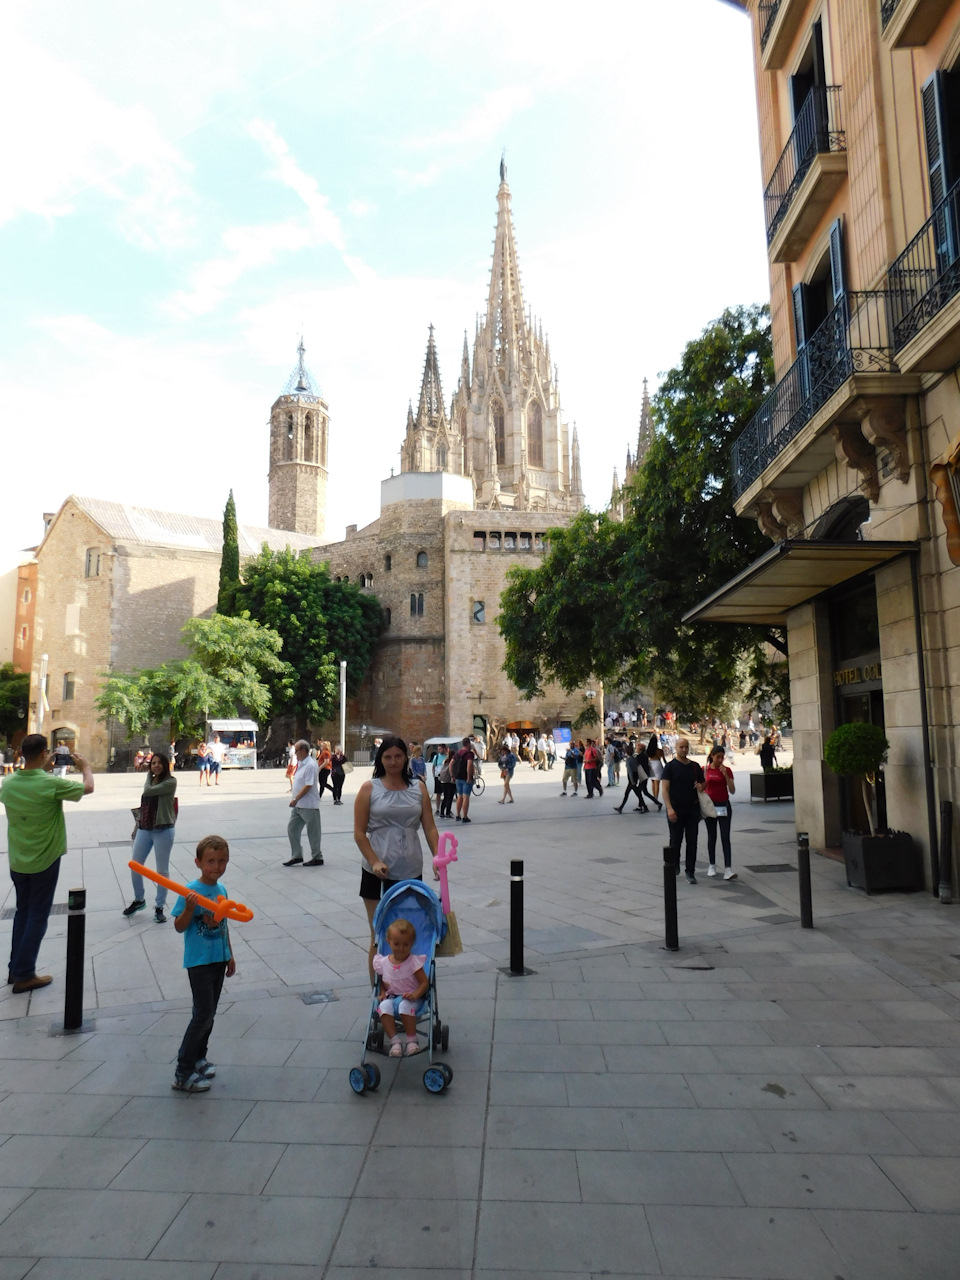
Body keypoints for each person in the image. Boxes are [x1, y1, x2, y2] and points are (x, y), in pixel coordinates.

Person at [0, 733, 94, 992]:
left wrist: (39, 768)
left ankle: (15, 968)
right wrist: (85, 767)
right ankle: (24, 974)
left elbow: (27, 783)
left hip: (18, 859)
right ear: (44, 753)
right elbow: (88, 787)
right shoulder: (49, 783)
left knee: (22, 912)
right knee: (38, 916)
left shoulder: (8, 784)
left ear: (21, 753)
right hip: (44, 858)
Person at [354, 736, 439, 984]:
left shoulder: (418, 788)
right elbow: (359, 832)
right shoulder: (369, 789)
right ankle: (378, 991)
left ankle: (406, 987)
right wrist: (374, 861)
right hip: (377, 872)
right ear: (381, 759)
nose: (393, 762)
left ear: (406, 757)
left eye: (398, 756)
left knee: (407, 934)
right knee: (379, 934)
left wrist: (438, 857)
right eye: (388, 757)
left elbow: (430, 827)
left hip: (410, 870)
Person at [170, 834, 236, 1092]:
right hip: (198, 962)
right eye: (210, 861)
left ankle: (199, 1057)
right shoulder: (190, 891)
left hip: (217, 959)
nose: (216, 867)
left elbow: (225, 924)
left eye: (221, 861)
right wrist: (189, 909)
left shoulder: (221, 891)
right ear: (198, 862)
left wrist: (229, 953)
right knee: (202, 1014)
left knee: (210, 1013)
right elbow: (178, 927)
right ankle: (182, 1071)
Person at [124, 752, 178, 922]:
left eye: (159, 763)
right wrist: (137, 826)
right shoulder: (152, 780)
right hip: (145, 828)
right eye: (153, 763)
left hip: (163, 829)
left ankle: (159, 906)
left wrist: (148, 775)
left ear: (165, 764)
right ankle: (139, 899)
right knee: (135, 866)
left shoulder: (170, 782)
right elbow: (144, 806)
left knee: (162, 871)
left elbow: (148, 792)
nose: (156, 766)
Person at [373, 917, 429, 1057]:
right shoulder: (383, 962)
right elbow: (381, 979)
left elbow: (424, 983)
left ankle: (411, 1040)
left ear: (412, 944)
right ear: (389, 942)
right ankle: (395, 1041)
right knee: (384, 1006)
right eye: (396, 944)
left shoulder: (413, 963)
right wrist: (382, 992)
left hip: (412, 998)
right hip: (392, 997)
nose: (401, 948)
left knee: (404, 1005)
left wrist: (415, 995)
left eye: (406, 945)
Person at [662, 737, 705, 885]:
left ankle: (690, 871)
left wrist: (701, 786)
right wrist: (669, 808)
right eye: (681, 747)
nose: (684, 750)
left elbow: (703, 783)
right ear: (676, 748)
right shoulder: (670, 767)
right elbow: (665, 789)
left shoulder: (695, 766)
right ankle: (674, 866)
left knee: (692, 841)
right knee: (675, 840)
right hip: (676, 809)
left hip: (692, 809)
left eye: (686, 747)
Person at [285, 740, 324, 866]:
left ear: (304, 751)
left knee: (313, 832)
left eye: (296, 750)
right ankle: (297, 855)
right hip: (299, 805)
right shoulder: (302, 763)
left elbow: (308, 785)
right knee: (292, 829)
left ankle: (317, 857)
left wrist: (296, 799)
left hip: (308, 804)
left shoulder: (311, 765)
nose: (295, 753)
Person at [703, 746, 737, 880]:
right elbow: (703, 787)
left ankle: (728, 868)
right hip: (710, 806)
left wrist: (726, 776)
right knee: (712, 836)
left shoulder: (727, 770)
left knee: (725, 837)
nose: (720, 760)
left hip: (724, 805)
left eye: (722, 757)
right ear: (712, 756)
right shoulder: (705, 769)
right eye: (718, 757)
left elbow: (732, 790)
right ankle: (712, 865)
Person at [614, 743, 649, 814]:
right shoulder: (634, 758)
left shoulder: (629, 760)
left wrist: (632, 781)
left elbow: (630, 771)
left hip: (631, 779)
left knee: (635, 794)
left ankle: (645, 807)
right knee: (631, 793)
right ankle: (621, 807)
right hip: (635, 777)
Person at [452, 737, 476, 824]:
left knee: (460, 797)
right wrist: (469, 777)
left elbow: (451, 764)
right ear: (468, 744)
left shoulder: (457, 753)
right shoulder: (469, 754)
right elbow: (469, 765)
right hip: (466, 778)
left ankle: (458, 815)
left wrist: (452, 775)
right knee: (466, 798)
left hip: (458, 777)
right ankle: (464, 816)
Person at [437, 748, 456, 819]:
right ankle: (448, 812)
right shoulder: (453, 761)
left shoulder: (445, 761)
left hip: (443, 780)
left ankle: (442, 812)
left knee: (445, 797)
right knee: (450, 797)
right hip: (450, 780)